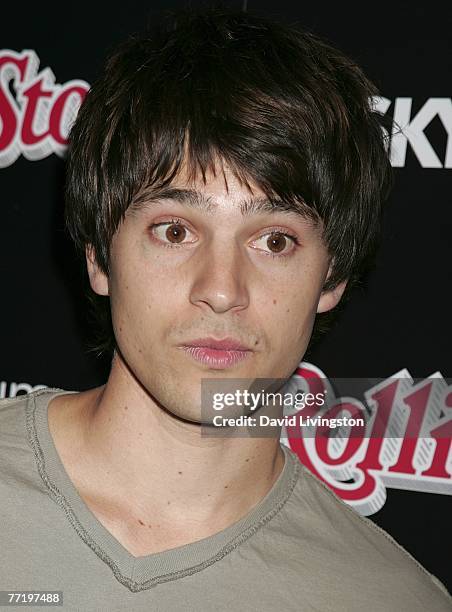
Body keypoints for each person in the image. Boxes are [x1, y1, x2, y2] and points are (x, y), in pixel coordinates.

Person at [1, 7, 450, 611]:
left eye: (274, 240)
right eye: (175, 231)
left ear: (332, 277)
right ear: (100, 258)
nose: (221, 289)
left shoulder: (393, 600)